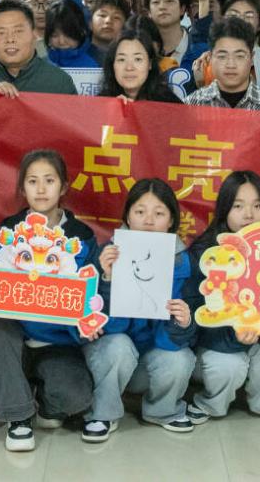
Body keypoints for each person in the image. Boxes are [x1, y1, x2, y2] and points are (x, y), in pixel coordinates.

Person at [0, 150, 97, 452]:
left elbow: (90, 297)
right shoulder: (8, 232)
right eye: (32, 181)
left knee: (76, 398)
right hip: (14, 339)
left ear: (63, 187)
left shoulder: (81, 237)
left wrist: (86, 323)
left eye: (49, 180)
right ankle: (19, 417)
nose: (41, 189)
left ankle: (38, 399)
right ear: (22, 189)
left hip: (57, 344)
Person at [83, 179, 197, 441]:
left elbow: (174, 342)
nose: (148, 221)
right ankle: (103, 414)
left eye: (159, 213)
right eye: (140, 211)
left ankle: (162, 411)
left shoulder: (183, 262)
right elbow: (102, 328)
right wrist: (107, 280)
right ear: (127, 217)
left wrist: (182, 323)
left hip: (149, 364)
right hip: (110, 358)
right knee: (119, 345)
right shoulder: (107, 255)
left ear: (171, 220)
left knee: (180, 358)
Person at [187, 172, 260, 425]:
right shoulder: (206, 253)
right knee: (228, 367)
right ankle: (210, 403)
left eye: (257, 206)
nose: (249, 215)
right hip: (218, 343)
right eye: (238, 206)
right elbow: (195, 314)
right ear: (224, 210)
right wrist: (234, 332)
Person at [0, 1, 77, 96]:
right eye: (1, 33)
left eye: (18, 31)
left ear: (34, 35)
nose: (10, 39)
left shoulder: (59, 82)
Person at [186, 18, 260, 111]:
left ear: (252, 58)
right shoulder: (192, 105)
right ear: (210, 58)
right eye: (222, 56)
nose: (231, 65)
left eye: (239, 56)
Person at [98, 29, 182, 103]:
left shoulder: (168, 103)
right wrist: (112, 111)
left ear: (150, 64)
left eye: (138, 59)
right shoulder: (101, 103)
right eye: (122, 59)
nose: (129, 68)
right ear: (112, 64)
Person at [146, 0, 207, 72]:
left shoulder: (198, 44)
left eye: (169, 1)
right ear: (149, 12)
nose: (162, 7)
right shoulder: (143, 48)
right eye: (156, 2)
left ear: (182, 9)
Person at [45, 0, 100, 70]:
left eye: (68, 35)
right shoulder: (40, 62)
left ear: (81, 32)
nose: (61, 42)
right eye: (54, 35)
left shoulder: (90, 67)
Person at [88, 0, 131, 64]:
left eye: (116, 17)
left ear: (125, 25)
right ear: (90, 22)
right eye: (102, 15)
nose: (108, 21)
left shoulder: (131, 58)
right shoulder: (75, 55)